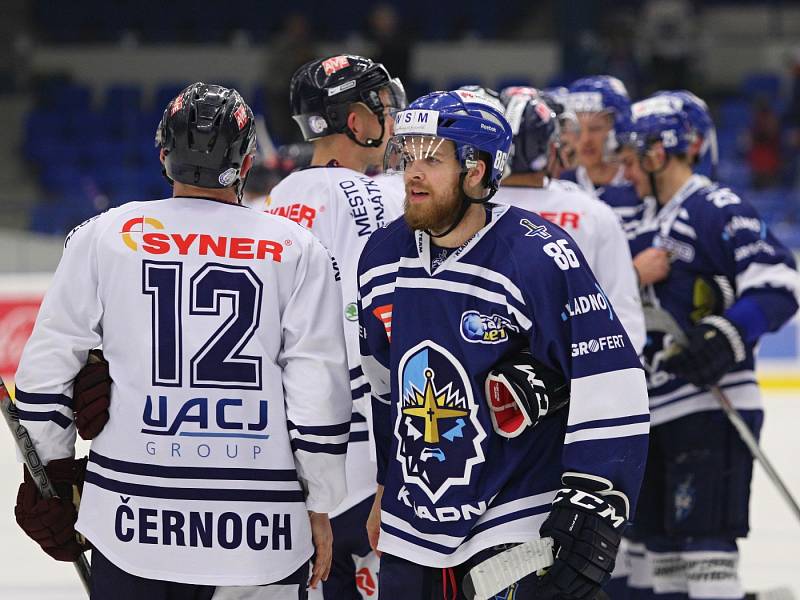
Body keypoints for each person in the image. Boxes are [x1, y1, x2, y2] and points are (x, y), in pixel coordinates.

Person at [13, 82, 352, 600]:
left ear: (164, 153)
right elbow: (318, 396)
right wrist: (321, 503)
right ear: (244, 163)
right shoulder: (297, 248)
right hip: (262, 532)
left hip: (131, 523)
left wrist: (52, 475)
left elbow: (44, 375)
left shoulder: (105, 235)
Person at [357, 89, 650, 598]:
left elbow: (609, 376)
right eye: (408, 155)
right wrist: (385, 481)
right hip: (410, 522)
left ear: (477, 170)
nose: (413, 172)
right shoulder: (380, 256)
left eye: (433, 157)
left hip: (513, 518)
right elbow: (384, 386)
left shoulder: (539, 254)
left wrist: (596, 498)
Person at [620, 93, 798, 599]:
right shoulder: (646, 221)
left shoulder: (715, 207)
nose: (626, 169)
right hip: (656, 413)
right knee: (657, 567)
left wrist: (724, 337)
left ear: (660, 152)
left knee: (706, 562)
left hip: (710, 409)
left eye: (635, 156)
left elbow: (780, 283)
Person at [265, 55, 406, 600]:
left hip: (304, 444)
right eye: (381, 108)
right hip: (377, 444)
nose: (389, 118)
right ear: (355, 122)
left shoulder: (280, 198)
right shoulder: (390, 194)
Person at [494, 88, 646, 355]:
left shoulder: (464, 208)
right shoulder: (592, 212)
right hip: (573, 378)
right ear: (550, 144)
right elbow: (626, 322)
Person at [561, 75, 644, 239]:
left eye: (595, 128)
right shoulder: (561, 186)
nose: (585, 140)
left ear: (618, 129)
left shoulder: (640, 184)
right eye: (576, 128)